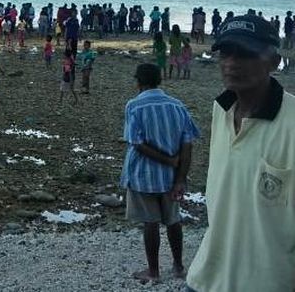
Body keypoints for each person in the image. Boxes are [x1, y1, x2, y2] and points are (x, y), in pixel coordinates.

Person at [186, 14, 294, 292]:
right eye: (225, 52)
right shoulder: (221, 110)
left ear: (273, 61)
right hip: (204, 278)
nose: (232, 63)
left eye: (245, 53)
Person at [120, 63, 199, 284]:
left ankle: (153, 271)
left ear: (139, 82)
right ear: (159, 80)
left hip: (142, 175)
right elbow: (188, 144)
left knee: (151, 222)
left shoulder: (134, 106)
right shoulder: (177, 106)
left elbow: (136, 142)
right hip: (171, 177)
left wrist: (167, 160)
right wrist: (181, 176)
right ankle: (178, 266)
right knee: (173, 220)